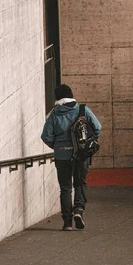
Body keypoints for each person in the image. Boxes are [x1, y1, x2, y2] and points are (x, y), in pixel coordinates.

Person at [41, 84, 101, 231]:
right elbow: (97, 128)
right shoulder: (82, 110)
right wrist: (86, 143)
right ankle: (79, 211)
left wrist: (58, 147)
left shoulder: (54, 114)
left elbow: (46, 136)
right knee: (80, 184)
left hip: (62, 156)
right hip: (81, 154)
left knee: (65, 188)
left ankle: (67, 222)